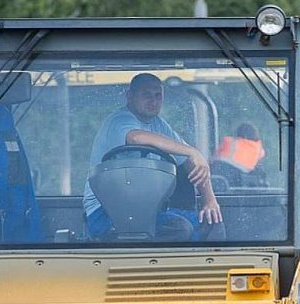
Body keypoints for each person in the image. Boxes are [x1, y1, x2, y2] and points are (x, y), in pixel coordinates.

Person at [83, 73, 222, 240]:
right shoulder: (119, 121)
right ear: (130, 96)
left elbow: (189, 161)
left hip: (147, 209)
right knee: (180, 229)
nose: (153, 101)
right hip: (105, 212)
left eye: (158, 95)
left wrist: (209, 200)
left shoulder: (159, 125)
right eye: (146, 95)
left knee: (211, 223)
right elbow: (136, 138)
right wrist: (193, 151)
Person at [211, 122, 268, 187]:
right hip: (239, 178)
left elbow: (213, 158)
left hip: (219, 171)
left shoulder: (227, 141)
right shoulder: (259, 149)